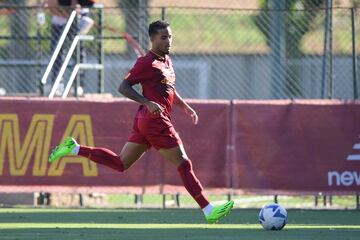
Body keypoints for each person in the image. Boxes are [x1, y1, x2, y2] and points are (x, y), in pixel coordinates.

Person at [48, 20, 234, 223]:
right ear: (152, 39)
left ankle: (74, 148)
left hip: (145, 121)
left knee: (120, 163)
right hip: (155, 120)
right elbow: (124, 86)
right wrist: (147, 101)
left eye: (170, 37)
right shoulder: (147, 62)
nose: (168, 41)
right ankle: (208, 210)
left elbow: (168, 89)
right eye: (164, 38)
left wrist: (184, 106)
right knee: (183, 163)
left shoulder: (166, 61)